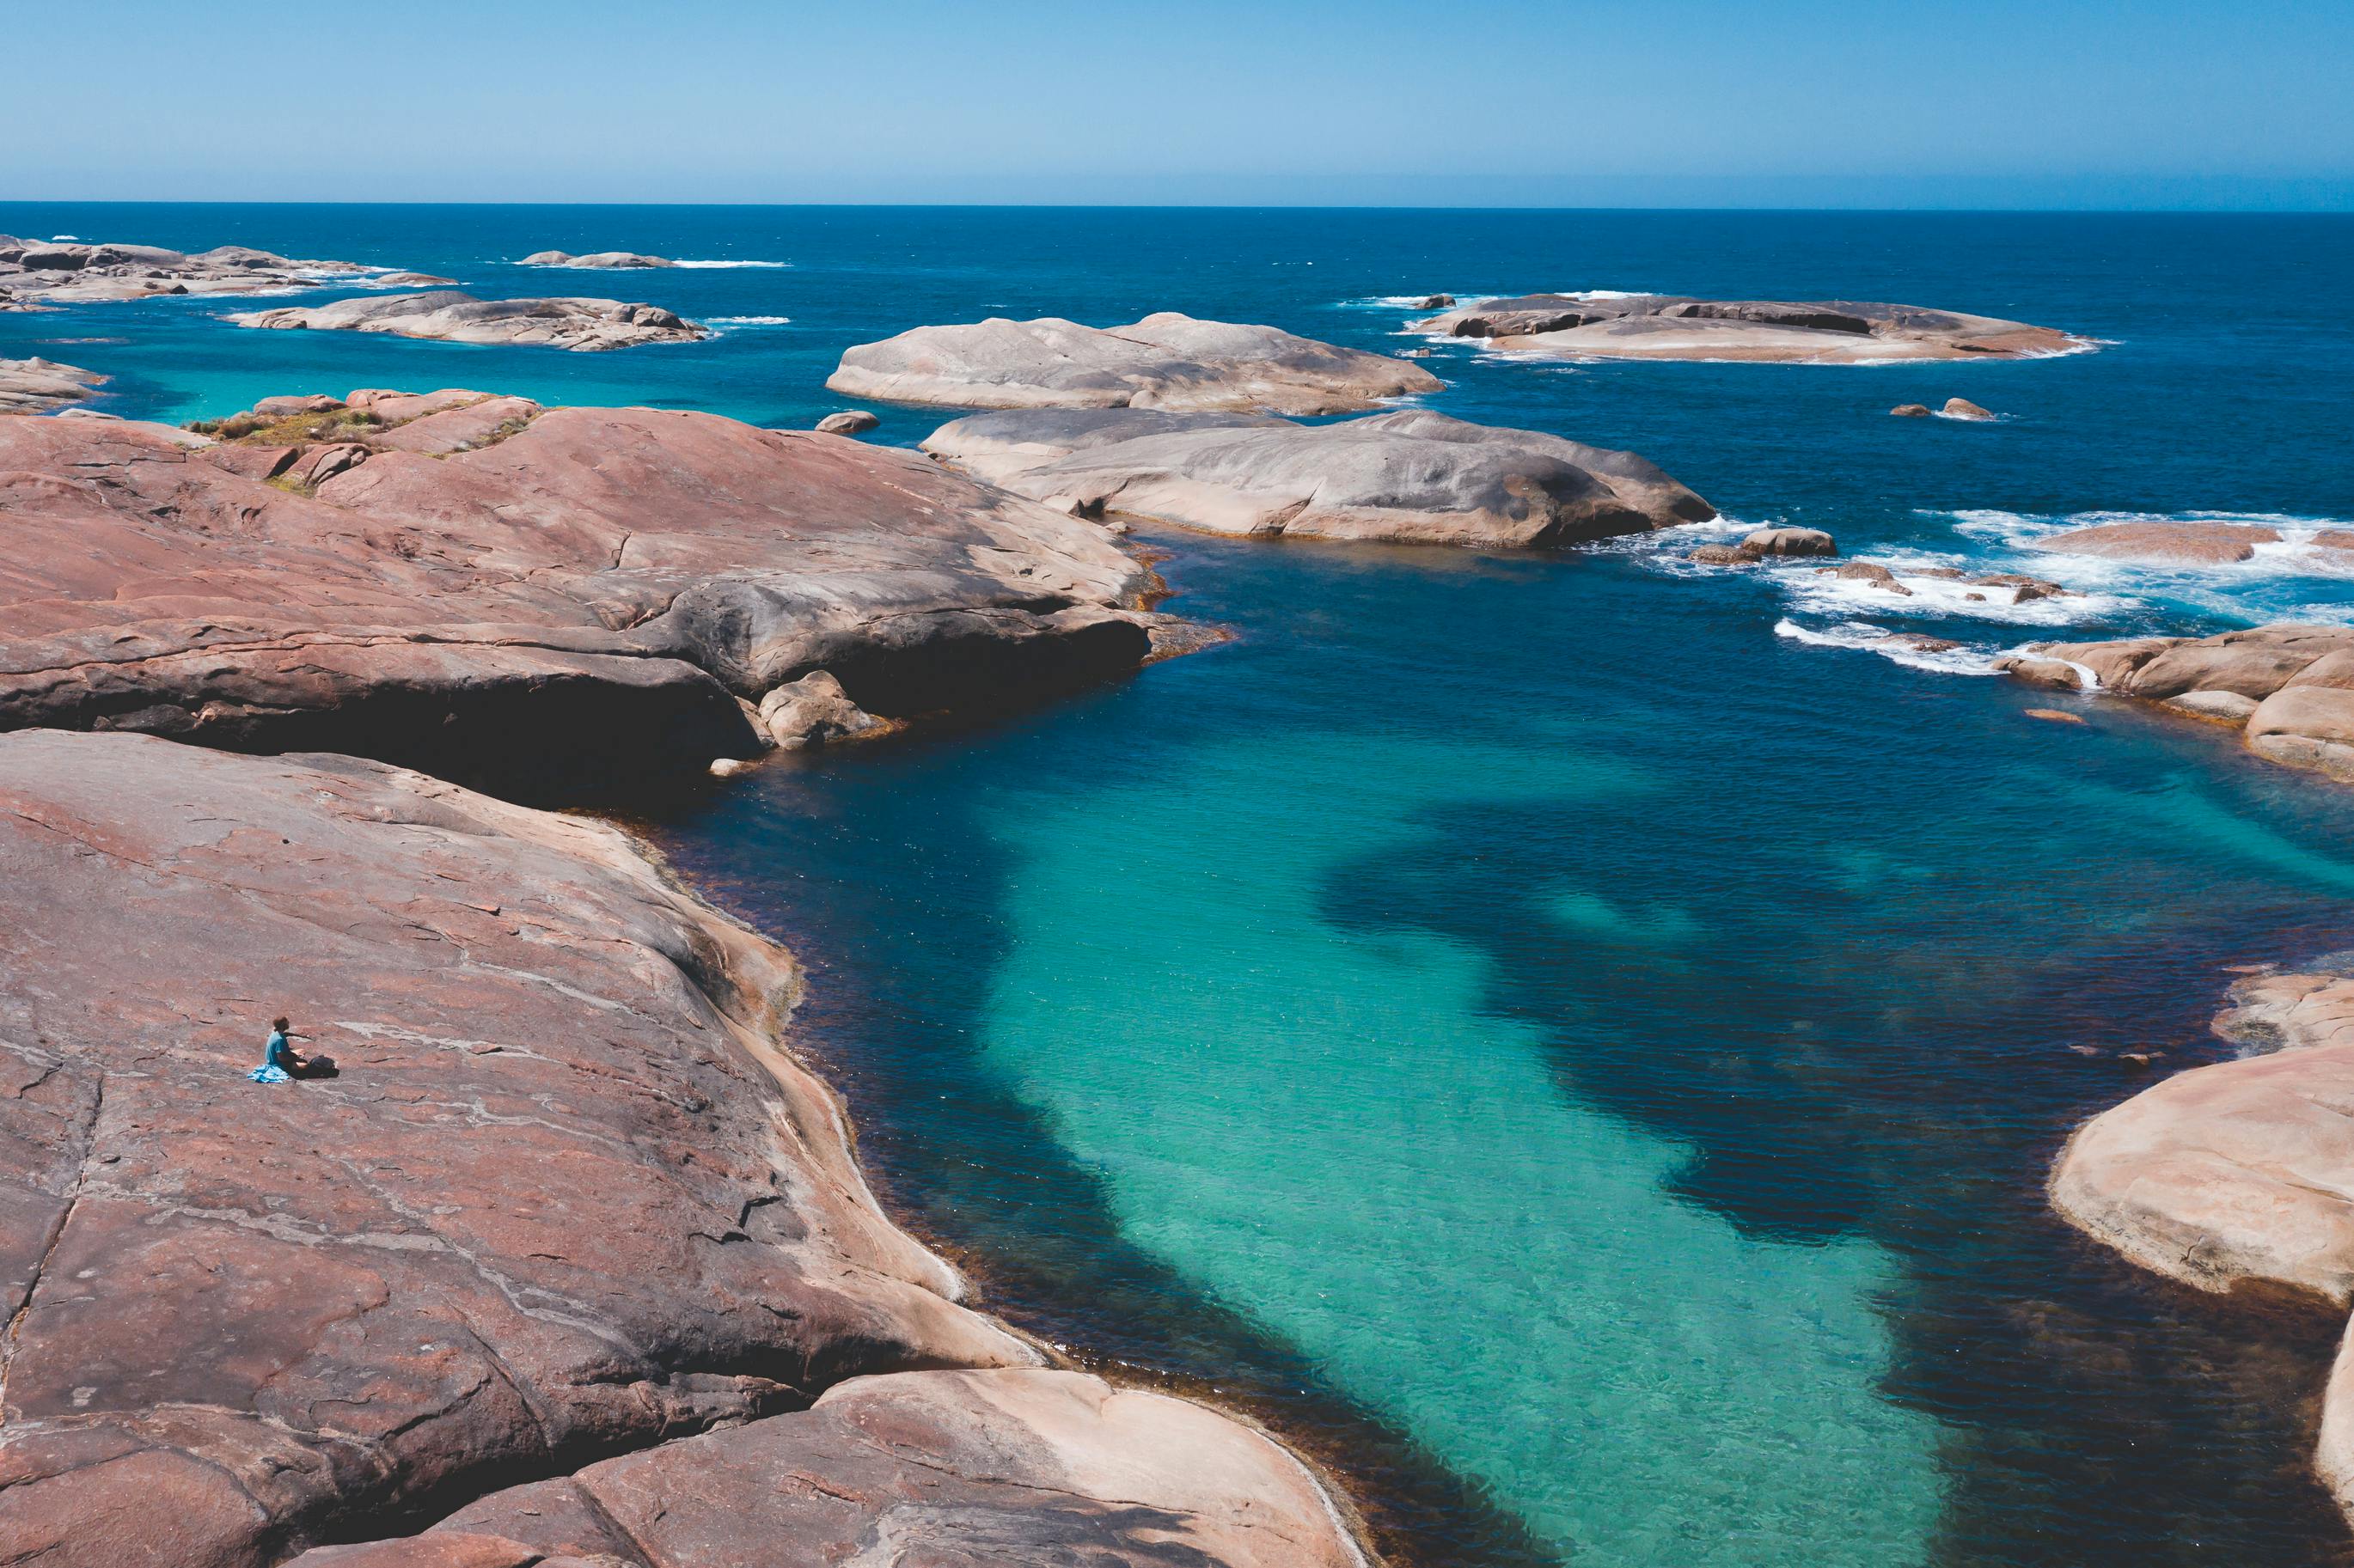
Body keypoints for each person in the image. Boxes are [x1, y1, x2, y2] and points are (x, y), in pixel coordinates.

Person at [248, 1016, 333, 1083]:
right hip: (278, 1064)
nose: (288, 1023)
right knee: (305, 1065)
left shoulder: (275, 1032)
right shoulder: (279, 1039)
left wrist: (294, 1054)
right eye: (286, 1022)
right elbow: (281, 1058)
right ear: (282, 1025)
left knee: (302, 1051)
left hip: (280, 1056)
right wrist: (294, 1057)